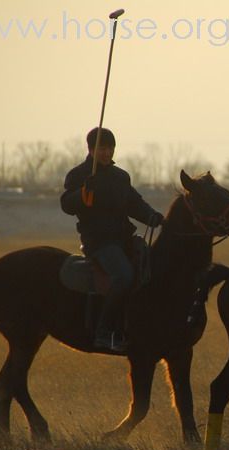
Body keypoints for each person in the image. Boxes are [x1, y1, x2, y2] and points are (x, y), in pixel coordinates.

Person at [60, 127, 164, 351]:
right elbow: (67, 203)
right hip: (99, 242)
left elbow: (134, 203)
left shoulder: (120, 177)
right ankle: (103, 332)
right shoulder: (79, 175)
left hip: (124, 239)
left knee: (151, 270)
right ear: (90, 149)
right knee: (124, 276)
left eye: (110, 148)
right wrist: (84, 192)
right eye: (102, 148)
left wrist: (151, 216)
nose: (106, 153)